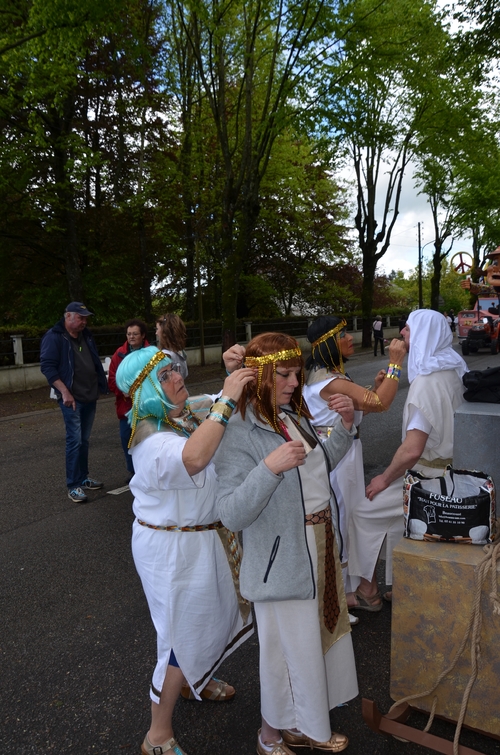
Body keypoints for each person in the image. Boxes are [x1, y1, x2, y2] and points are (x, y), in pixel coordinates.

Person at [214, 333, 358, 755]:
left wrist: (346, 429)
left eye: (297, 373)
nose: (296, 383)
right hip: (283, 558)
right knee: (283, 652)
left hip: (317, 545)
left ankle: (300, 724)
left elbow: (316, 468)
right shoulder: (239, 429)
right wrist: (268, 468)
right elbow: (231, 513)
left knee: (310, 642)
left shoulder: (287, 416)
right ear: (259, 375)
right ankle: (270, 736)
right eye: (285, 374)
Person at [115, 345, 255, 755]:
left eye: (174, 369)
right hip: (172, 549)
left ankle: (198, 678)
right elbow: (194, 456)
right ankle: (156, 734)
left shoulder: (179, 414)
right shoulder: (150, 443)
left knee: (207, 617)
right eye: (164, 377)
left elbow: (211, 405)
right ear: (143, 393)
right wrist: (227, 398)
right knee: (179, 634)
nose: (177, 378)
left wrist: (232, 372)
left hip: (199, 538)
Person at [347, 309, 468, 606]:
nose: (402, 333)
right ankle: (404, 584)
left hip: (429, 479)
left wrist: (383, 478)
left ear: (424, 335)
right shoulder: (450, 368)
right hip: (448, 476)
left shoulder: (427, 383)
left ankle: (367, 591)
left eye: (409, 329)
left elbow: (413, 449)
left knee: (364, 511)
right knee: (394, 520)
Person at [302, 317, 407, 614]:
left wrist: (373, 389)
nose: (350, 338)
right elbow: (381, 404)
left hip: (344, 454)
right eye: (343, 334)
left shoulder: (328, 375)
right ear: (328, 343)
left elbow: (359, 412)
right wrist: (396, 364)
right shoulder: (330, 381)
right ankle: (352, 593)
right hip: (339, 461)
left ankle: (354, 590)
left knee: (348, 521)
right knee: (346, 521)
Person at [40, 302, 108, 503]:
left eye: (86, 318)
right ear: (68, 316)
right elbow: (48, 368)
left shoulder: (86, 335)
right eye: (81, 318)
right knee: (74, 440)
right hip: (72, 399)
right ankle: (73, 485)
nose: (84, 322)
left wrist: (100, 385)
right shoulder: (54, 337)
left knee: (84, 440)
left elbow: (93, 361)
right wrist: (64, 392)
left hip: (89, 395)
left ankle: (83, 477)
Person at [107, 319, 150, 478]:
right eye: (129, 334)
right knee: (127, 439)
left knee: (147, 439)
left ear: (143, 335)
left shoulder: (151, 353)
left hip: (147, 406)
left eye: (135, 334)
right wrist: (123, 391)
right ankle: (133, 471)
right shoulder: (119, 354)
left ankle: (146, 470)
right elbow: (112, 380)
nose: (131, 337)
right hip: (126, 407)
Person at [156, 313, 188, 379]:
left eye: (157, 329)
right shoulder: (180, 352)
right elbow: (185, 374)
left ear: (164, 332)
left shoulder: (165, 356)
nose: (156, 333)